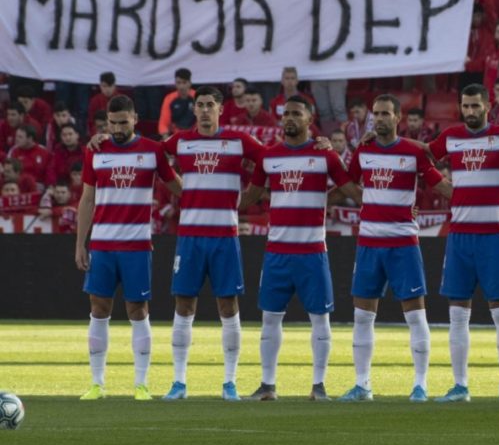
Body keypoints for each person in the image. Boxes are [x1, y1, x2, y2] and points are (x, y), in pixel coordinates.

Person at [240, 95, 359, 402]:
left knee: (320, 318)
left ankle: (318, 386)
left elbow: (351, 191)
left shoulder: (326, 156)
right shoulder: (269, 156)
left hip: (312, 251)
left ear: (310, 119)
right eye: (286, 114)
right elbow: (251, 196)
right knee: (269, 318)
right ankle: (268, 385)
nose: (289, 118)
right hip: (277, 251)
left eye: (296, 113)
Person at [337, 95, 452, 403]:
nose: (379, 119)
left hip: (403, 242)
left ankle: (420, 385)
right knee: (362, 316)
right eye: (376, 114)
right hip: (369, 243)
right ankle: (362, 385)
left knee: (415, 316)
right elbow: (347, 183)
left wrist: (476, 197)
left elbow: (439, 184)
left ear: (398, 117)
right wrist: (371, 201)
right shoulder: (365, 149)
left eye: (386, 113)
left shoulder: (413, 151)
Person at [426, 85, 499, 403]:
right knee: (458, 314)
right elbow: (422, 155)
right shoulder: (450, 136)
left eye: (475, 106)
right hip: (459, 237)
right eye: (465, 106)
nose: (470, 111)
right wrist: (443, 186)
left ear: (488, 106)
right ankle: (460, 386)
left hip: (493, 236)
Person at [155, 86, 265, 401]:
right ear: (195, 110)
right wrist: (179, 187)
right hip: (190, 238)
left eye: (209, 105)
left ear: (220, 110)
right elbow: (154, 154)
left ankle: (229, 382)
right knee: (184, 305)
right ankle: (178, 382)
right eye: (200, 105)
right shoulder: (182, 141)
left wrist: (252, 192)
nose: (204, 110)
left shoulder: (237, 141)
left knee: (228, 306)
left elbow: (269, 157)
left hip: (224, 238)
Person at [75, 95, 181, 401]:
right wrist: (80, 244)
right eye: (113, 122)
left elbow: (174, 183)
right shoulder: (96, 151)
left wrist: (204, 196)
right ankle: (97, 383)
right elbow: (87, 199)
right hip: (103, 245)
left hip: (136, 245)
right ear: (106, 122)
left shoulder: (151, 151)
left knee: (138, 310)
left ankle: (141, 384)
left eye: (124, 121)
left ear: (135, 118)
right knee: (98, 308)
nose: (119, 127)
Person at [157, 68, 196, 137]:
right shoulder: (169, 98)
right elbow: (163, 123)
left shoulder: (197, 97)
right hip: (175, 135)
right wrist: (166, 138)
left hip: (194, 134)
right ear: (175, 83)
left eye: (184, 82)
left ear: (190, 83)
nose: (181, 86)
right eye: (178, 83)